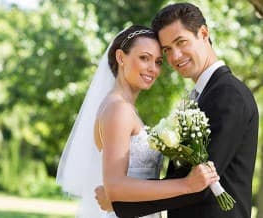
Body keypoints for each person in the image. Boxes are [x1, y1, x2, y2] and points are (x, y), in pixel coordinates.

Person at [97, 3, 259, 218]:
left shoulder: (228, 95)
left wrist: (120, 204)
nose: (175, 57)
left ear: (203, 33)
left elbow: (202, 183)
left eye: (181, 42)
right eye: (167, 50)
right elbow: (189, 179)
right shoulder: (205, 94)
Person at [56, 25, 219, 218]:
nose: (153, 69)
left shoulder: (121, 107)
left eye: (158, 62)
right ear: (120, 57)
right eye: (144, 58)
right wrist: (187, 185)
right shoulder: (118, 109)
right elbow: (115, 186)